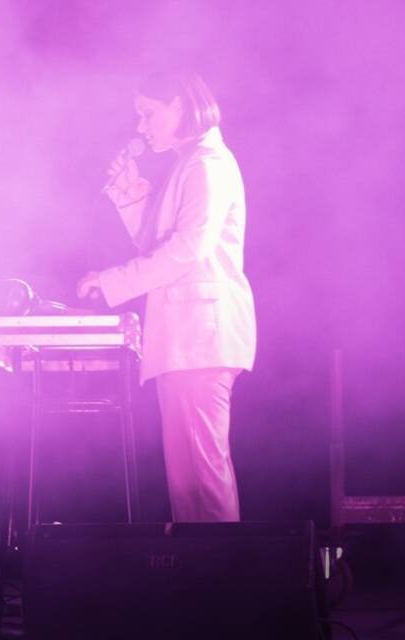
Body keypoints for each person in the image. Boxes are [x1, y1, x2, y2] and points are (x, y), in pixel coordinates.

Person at [77, 71, 256, 522]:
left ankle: (220, 564)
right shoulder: (188, 164)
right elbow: (158, 245)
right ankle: (204, 564)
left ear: (178, 104)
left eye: (147, 113)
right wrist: (128, 194)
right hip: (185, 339)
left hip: (199, 338)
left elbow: (187, 250)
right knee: (188, 484)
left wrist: (112, 280)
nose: (141, 127)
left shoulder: (207, 164)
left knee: (203, 479)